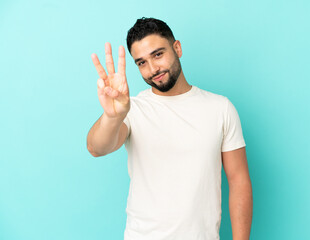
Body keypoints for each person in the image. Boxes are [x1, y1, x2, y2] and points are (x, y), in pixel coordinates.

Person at [87, 17, 252, 240]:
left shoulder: (221, 108)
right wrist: (111, 116)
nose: (153, 69)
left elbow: (239, 181)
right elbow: (97, 147)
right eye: (141, 62)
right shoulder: (133, 110)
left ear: (177, 48)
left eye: (158, 54)